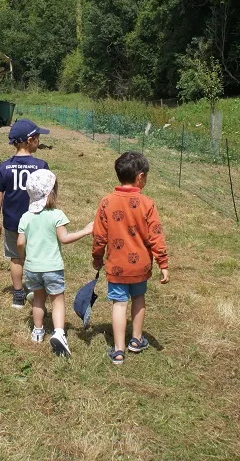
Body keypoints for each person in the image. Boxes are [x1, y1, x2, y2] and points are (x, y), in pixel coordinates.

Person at [92, 152, 169, 365]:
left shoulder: (107, 202)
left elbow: (99, 235)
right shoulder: (148, 203)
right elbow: (156, 235)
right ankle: (136, 340)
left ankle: (118, 350)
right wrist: (163, 263)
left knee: (119, 304)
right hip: (140, 267)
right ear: (140, 177)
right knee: (138, 299)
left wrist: (97, 257)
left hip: (116, 266)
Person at [17, 169, 93, 357]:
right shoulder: (56, 214)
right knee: (57, 301)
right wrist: (84, 231)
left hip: (32, 268)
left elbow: (20, 242)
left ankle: (38, 331)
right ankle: (59, 333)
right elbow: (65, 238)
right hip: (52, 268)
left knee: (38, 299)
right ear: (51, 192)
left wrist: (23, 256)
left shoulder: (25, 217)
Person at [0, 119, 51, 308]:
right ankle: (34, 290)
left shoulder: (4, 167)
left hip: (12, 221)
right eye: (38, 137)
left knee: (16, 258)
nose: (39, 141)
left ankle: (18, 294)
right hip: (36, 221)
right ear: (30, 140)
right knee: (35, 255)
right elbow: (49, 193)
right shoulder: (41, 165)